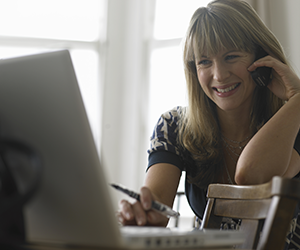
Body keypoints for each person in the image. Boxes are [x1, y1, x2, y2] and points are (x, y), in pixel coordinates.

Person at [118, 0, 300, 248]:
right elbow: (157, 207)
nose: (219, 75)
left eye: (231, 56)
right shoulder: (174, 127)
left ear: (262, 58)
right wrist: (143, 213)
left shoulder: (293, 123)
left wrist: (298, 100)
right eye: (204, 61)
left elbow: (252, 174)